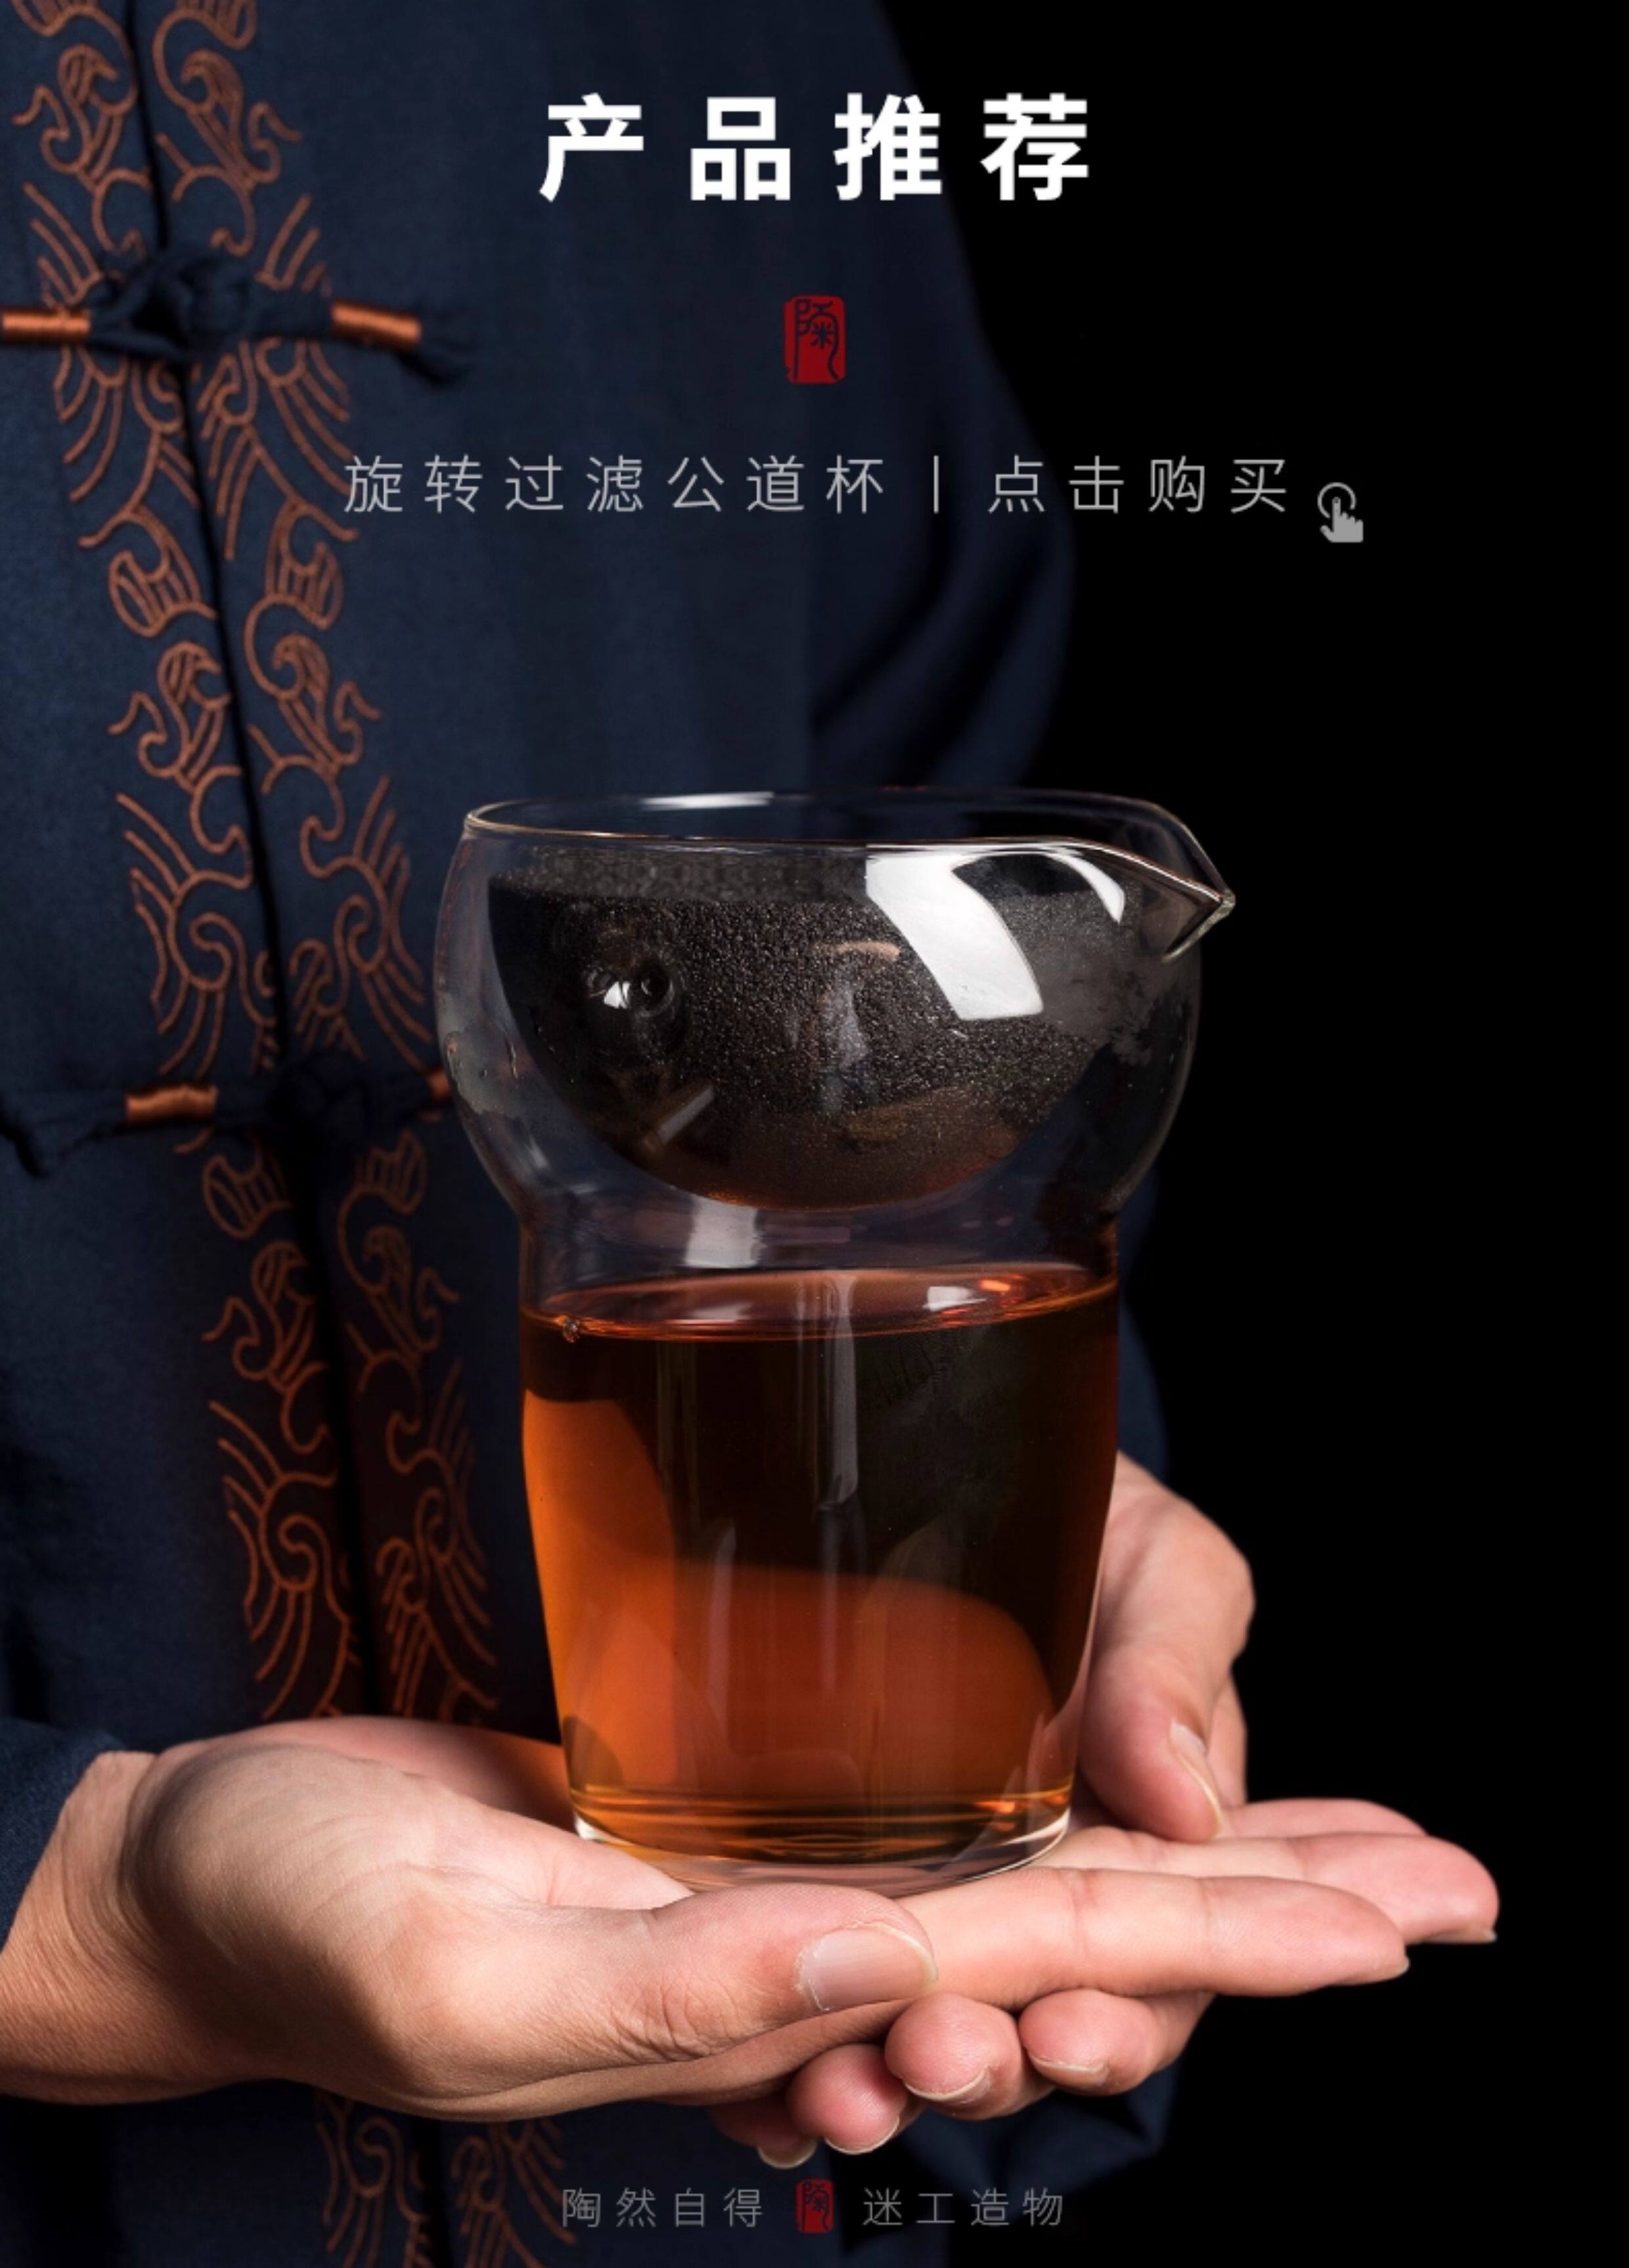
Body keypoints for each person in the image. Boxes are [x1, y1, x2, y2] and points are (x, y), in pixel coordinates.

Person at [0, 3, 1494, 2261]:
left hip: (723, 2157)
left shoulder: (739, 68)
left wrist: (1042, 1547)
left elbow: (974, 879)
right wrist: (67, 1895)